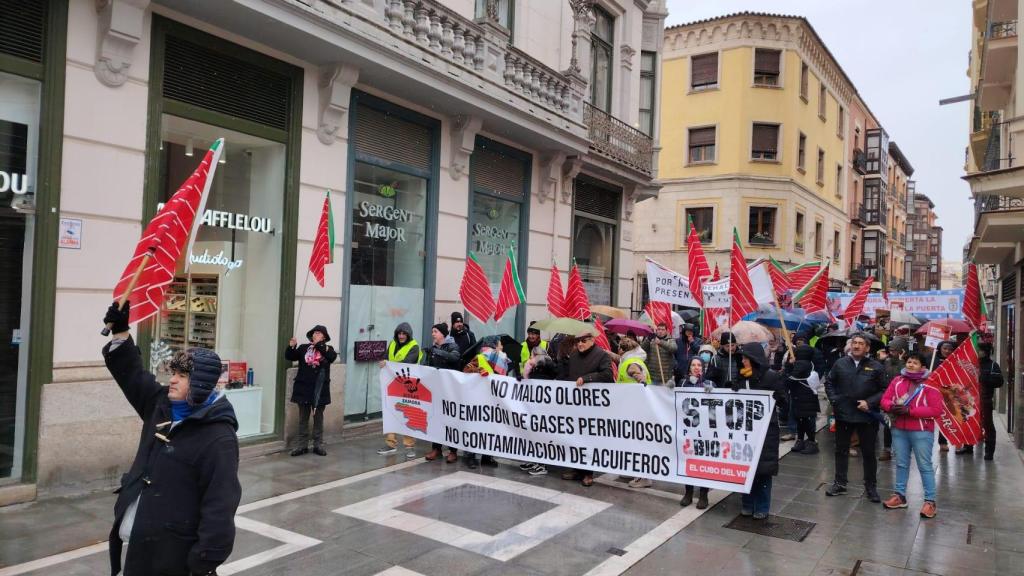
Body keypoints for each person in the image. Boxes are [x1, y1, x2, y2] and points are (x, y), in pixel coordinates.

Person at [102, 301, 240, 576]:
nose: (173, 380)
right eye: (173, 373)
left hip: (174, 561)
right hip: (138, 552)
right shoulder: (160, 404)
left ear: (201, 382)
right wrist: (120, 333)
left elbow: (220, 506)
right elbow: (132, 376)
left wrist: (200, 564)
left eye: (182, 375)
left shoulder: (219, 437)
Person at [824, 333, 887, 502]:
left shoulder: (876, 366)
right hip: (844, 414)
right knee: (841, 450)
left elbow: (884, 389)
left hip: (866, 416)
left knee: (868, 452)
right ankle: (840, 483)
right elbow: (829, 382)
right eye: (854, 343)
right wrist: (834, 399)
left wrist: (870, 402)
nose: (857, 346)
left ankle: (871, 486)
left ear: (867, 348)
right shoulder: (840, 363)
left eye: (860, 343)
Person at [880, 352, 942, 518]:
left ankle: (930, 501)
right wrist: (891, 406)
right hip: (899, 429)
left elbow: (936, 410)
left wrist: (911, 411)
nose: (910, 365)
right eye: (908, 362)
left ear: (922, 367)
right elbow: (884, 399)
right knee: (901, 463)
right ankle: (899, 496)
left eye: (915, 363)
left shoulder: (930, 384)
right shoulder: (897, 380)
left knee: (924, 465)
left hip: (921, 431)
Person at [734, 343, 788, 520]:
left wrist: (776, 398)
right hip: (745, 431)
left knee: (763, 470)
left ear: (754, 359)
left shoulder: (771, 377)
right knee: (746, 469)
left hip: (766, 431)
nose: (742, 361)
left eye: (745, 358)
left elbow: (783, 401)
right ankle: (747, 504)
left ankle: (762, 506)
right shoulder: (741, 378)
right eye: (741, 358)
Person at [560, 330, 614, 487]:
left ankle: (588, 473)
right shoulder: (574, 356)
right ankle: (577, 468)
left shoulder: (601, 355)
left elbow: (608, 375)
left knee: (589, 439)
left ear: (592, 340)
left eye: (583, 341)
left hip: (592, 407)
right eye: (578, 341)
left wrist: (587, 379)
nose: (580, 344)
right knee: (575, 437)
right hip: (575, 405)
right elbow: (568, 376)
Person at [285, 325, 338, 456]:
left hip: (320, 391)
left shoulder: (328, 349)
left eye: (318, 333)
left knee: (318, 418)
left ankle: (317, 444)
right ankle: (302, 445)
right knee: (303, 418)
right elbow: (290, 356)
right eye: (314, 332)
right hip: (304, 388)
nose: (315, 334)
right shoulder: (304, 348)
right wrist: (292, 346)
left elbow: (331, 357)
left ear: (324, 337)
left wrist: (319, 344)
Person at [462, 335, 508, 469]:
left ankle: (487, 457)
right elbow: (466, 370)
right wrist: (478, 371)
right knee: (475, 427)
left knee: (490, 428)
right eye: (500, 344)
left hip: (493, 399)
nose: (502, 347)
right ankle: (471, 456)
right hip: (478, 399)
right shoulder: (480, 357)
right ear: (494, 345)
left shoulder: (502, 360)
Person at [377, 322, 421, 458]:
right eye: (399, 333)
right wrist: (383, 361)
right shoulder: (393, 344)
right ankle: (390, 444)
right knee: (392, 413)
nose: (401, 336)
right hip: (394, 384)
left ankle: (409, 445)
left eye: (404, 334)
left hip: (409, 386)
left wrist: (388, 364)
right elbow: (385, 356)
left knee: (408, 414)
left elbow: (408, 362)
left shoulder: (414, 346)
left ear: (408, 335)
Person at [677, 357, 715, 508]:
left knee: (703, 462)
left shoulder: (710, 384)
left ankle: (703, 494)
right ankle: (688, 492)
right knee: (688, 460)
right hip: (687, 430)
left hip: (704, 430)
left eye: (699, 365)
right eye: (693, 365)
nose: (696, 367)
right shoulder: (682, 383)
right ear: (689, 368)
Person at [422, 322, 461, 463]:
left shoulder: (452, 346)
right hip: (436, 390)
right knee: (436, 419)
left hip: (450, 390)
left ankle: (453, 451)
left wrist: (437, 352)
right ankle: (436, 449)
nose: (433, 334)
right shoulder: (433, 348)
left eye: (435, 331)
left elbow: (455, 358)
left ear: (443, 334)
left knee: (450, 420)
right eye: (432, 331)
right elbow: (427, 367)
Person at [518, 346, 559, 477]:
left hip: (543, 409)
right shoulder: (536, 366)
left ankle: (542, 464)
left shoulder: (546, 366)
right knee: (533, 434)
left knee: (540, 435)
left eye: (532, 355)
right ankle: (534, 460)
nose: (530, 357)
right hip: (534, 407)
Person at [969, 342, 1004, 460]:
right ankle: (968, 446)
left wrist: (984, 378)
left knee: (987, 425)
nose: (977, 352)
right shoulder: (972, 364)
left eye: (979, 350)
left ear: (985, 352)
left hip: (985, 400)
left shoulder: (993, 365)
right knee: (969, 422)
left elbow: (999, 382)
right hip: (970, 401)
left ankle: (989, 451)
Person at [785, 344, 821, 455]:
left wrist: (788, 365)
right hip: (806, 396)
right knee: (802, 420)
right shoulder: (809, 363)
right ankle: (800, 441)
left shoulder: (801, 364)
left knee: (805, 421)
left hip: (802, 397)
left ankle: (811, 443)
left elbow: (791, 379)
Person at [878, 337, 910, 461]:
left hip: (905, 397)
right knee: (888, 424)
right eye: (890, 350)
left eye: (895, 350)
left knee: (904, 424)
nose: (891, 353)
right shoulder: (886, 362)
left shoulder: (909, 362)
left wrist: (902, 361)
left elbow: (904, 375)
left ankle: (903, 449)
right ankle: (887, 449)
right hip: (890, 397)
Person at [932, 340, 956, 452]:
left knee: (945, 417)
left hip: (948, 393)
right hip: (933, 392)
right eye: (945, 348)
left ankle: (943, 442)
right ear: (940, 349)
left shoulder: (954, 361)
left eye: (950, 349)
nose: (947, 351)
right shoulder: (931, 359)